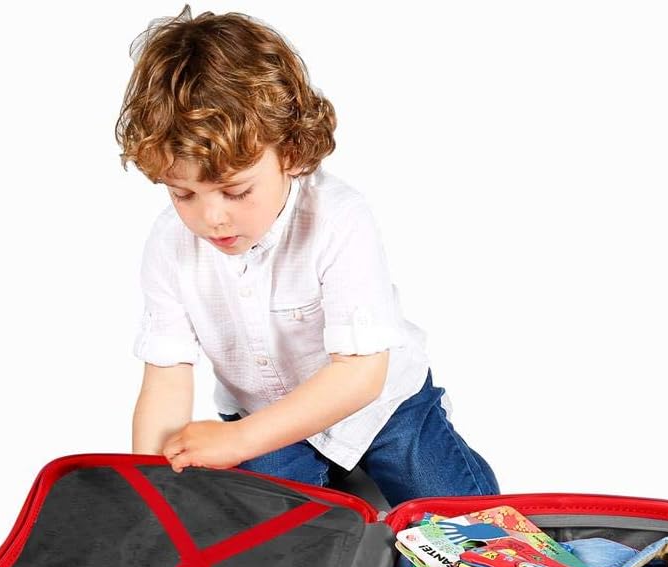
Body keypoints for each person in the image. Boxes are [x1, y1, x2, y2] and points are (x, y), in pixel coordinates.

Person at [115, 6, 499, 507]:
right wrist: (148, 491)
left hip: (381, 407)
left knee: (452, 505)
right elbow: (166, 376)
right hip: (265, 418)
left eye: (236, 191)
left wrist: (239, 440)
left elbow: (360, 375)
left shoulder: (338, 218)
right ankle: (333, 497)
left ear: (292, 153)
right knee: (272, 524)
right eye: (183, 194)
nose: (211, 218)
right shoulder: (169, 243)